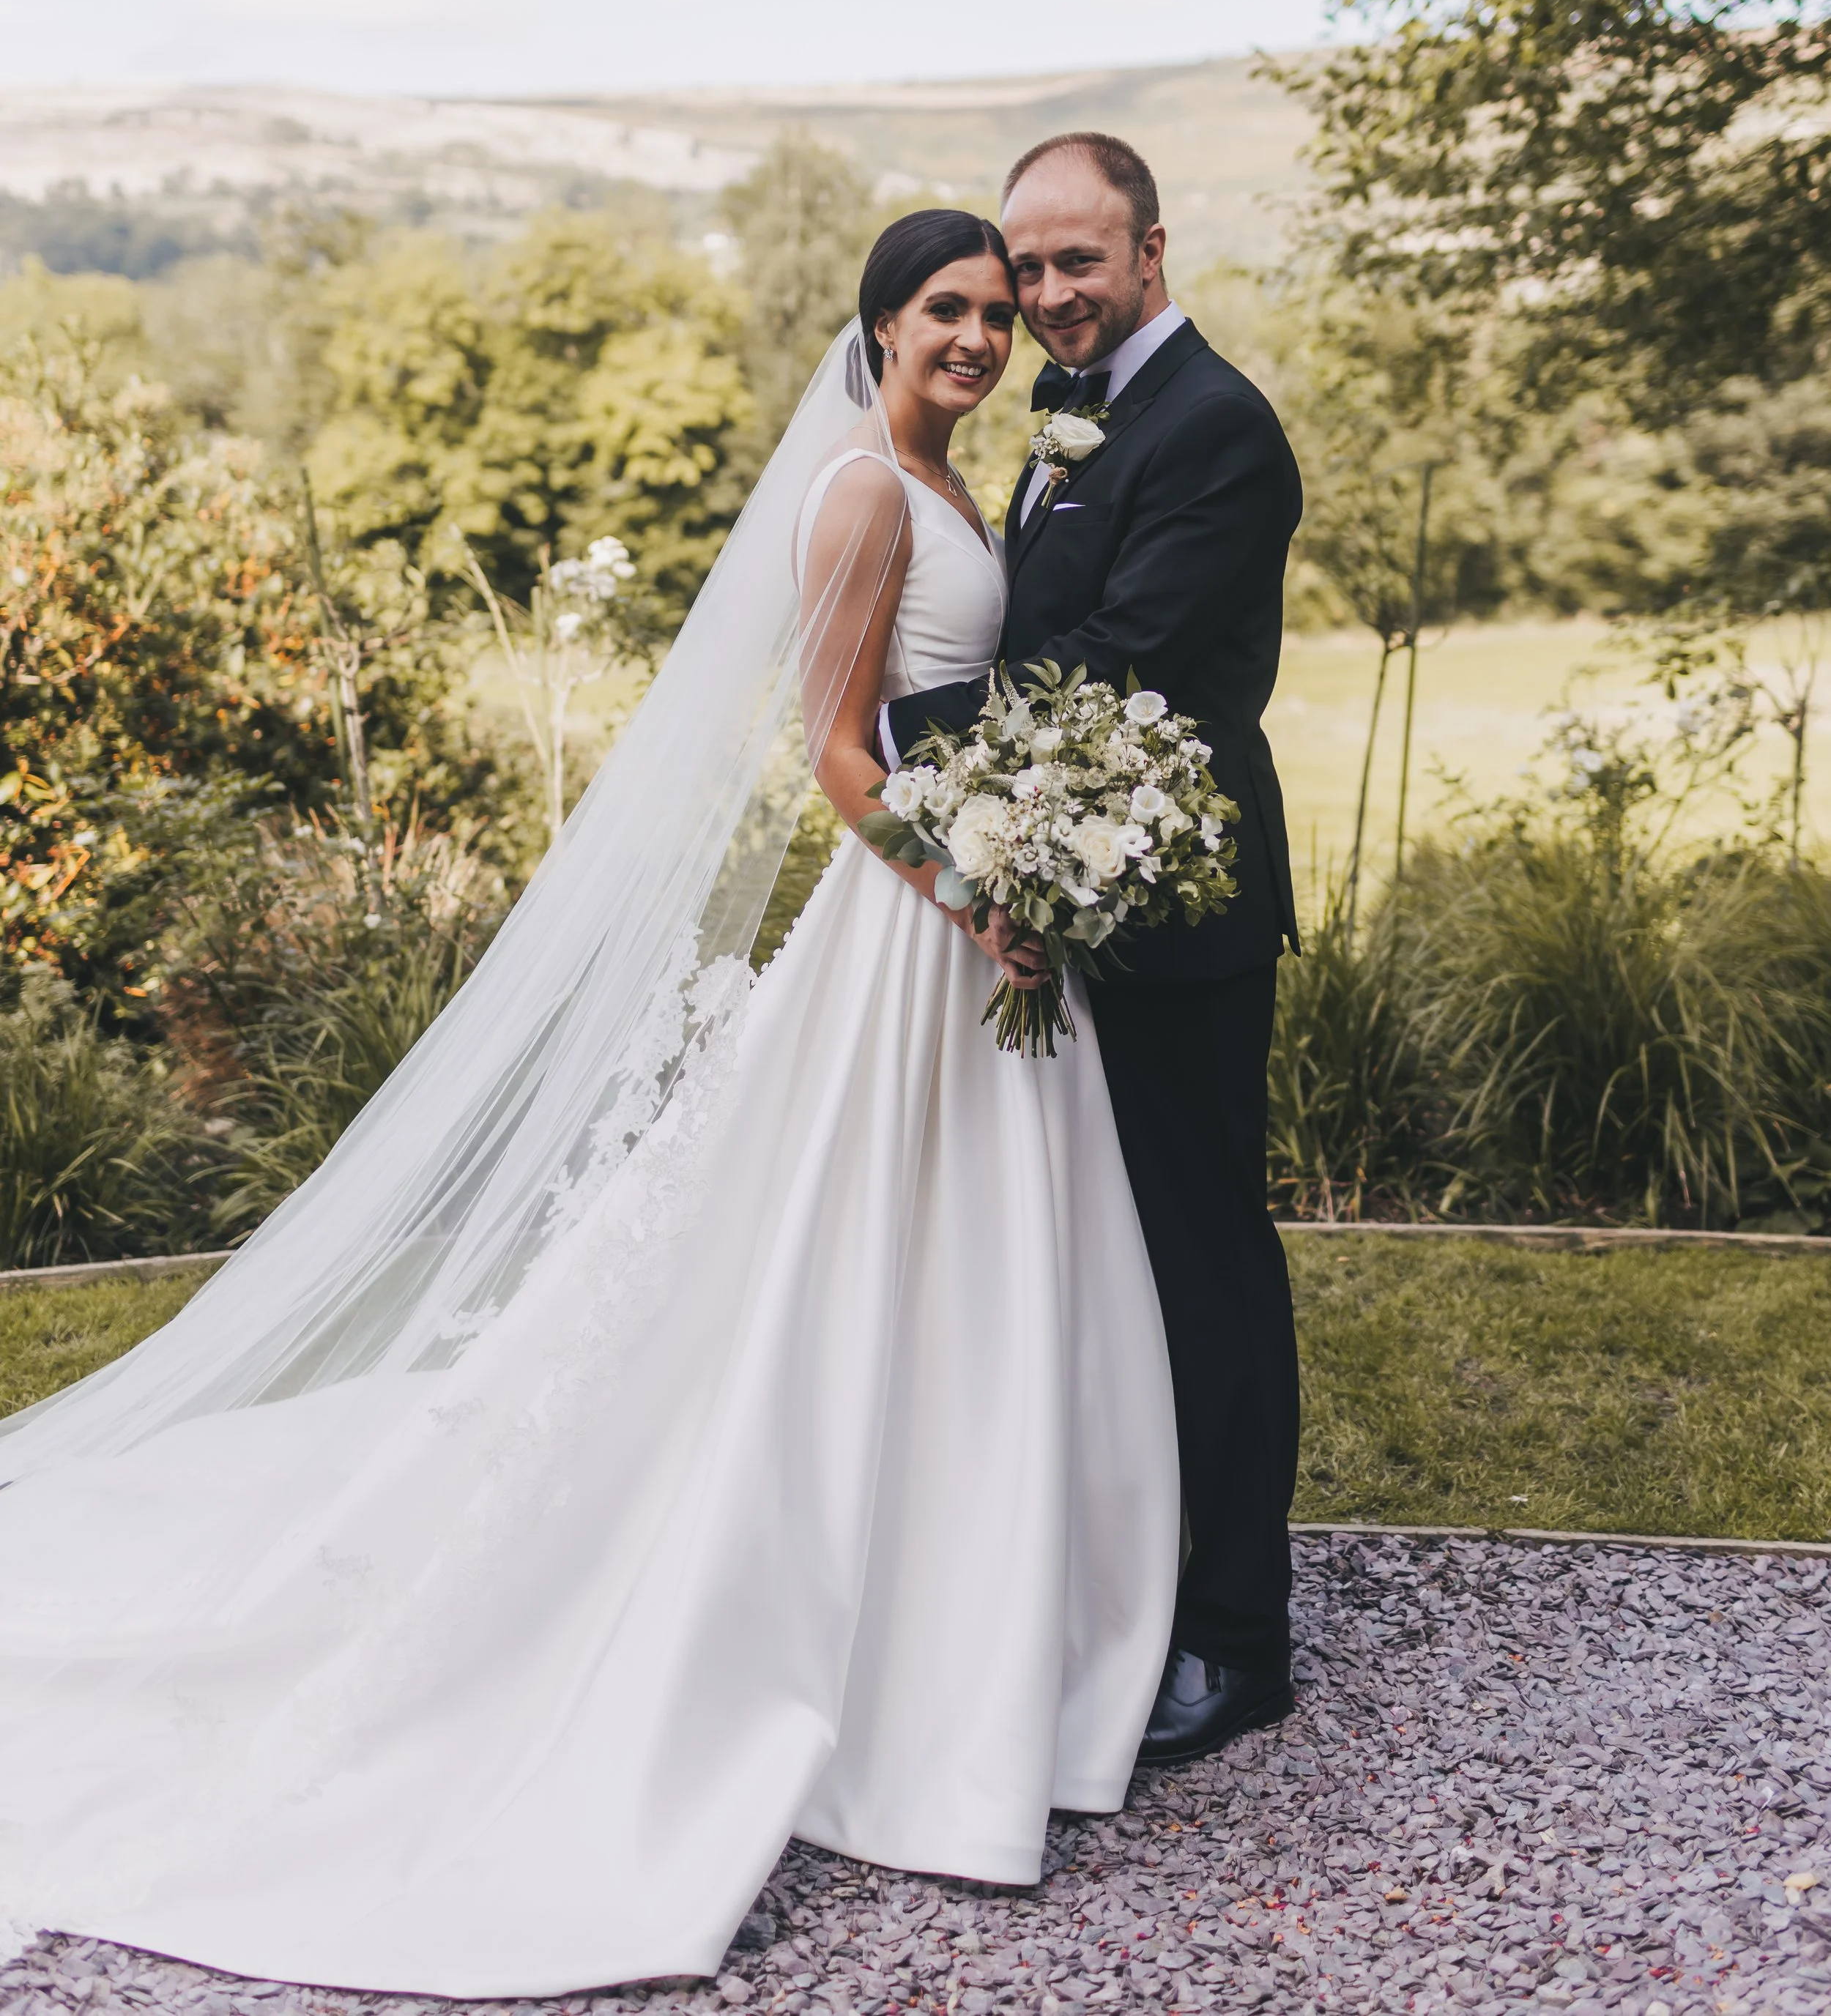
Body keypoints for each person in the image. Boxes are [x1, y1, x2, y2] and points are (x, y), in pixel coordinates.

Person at [0, 210, 1179, 2001]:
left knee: (955, 1269)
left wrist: (1028, 855)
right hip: (917, 931)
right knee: (837, 1268)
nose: (982, 335)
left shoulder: (944, 481)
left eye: (998, 312)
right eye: (946, 308)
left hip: (977, 927)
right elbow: (842, 760)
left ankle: (982, 1610)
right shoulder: (864, 493)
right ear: (874, 322)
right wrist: (979, 886)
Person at [880, 132, 1304, 1766]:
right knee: (1091, 1261)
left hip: (1179, 915)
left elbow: (1114, 665)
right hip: (1066, 893)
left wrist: (875, 731)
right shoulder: (1073, 416)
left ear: (1148, 251)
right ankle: (1117, 1576)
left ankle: (1235, 1636)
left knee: (1201, 1260)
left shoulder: (1211, 426)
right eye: (1027, 265)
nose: (1047, 295)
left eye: (1077, 262)